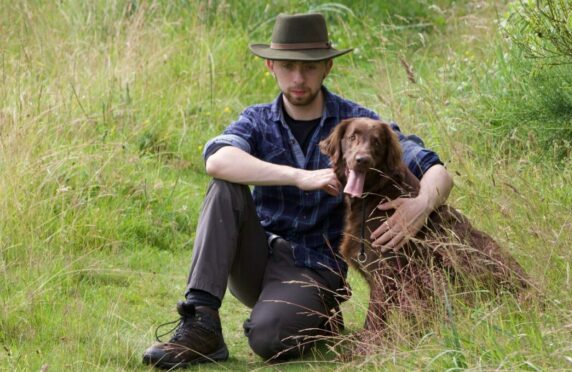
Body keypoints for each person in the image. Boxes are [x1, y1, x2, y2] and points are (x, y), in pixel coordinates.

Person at [142, 12, 453, 369]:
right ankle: (201, 324)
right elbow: (217, 160)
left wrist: (422, 206)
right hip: (257, 257)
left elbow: (434, 168)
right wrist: (300, 176)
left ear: (328, 68)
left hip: (315, 268)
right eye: (288, 66)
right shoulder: (257, 120)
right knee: (223, 187)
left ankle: (319, 318)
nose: (298, 78)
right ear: (271, 66)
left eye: (309, 67)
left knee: (267, 338)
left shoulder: (357, 122)